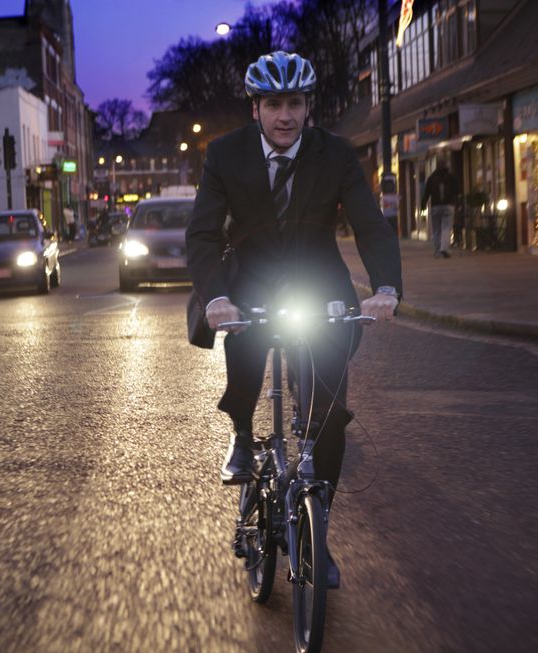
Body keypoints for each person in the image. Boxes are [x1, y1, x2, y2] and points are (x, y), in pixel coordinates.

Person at [186, 52, 403, 587]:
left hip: (317, 280)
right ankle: (240, 428)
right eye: (274, 104)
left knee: (328, 410)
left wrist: (385, 287)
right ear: (256, 108)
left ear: (309, 108)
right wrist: (216, 298)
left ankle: (316, 537)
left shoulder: (336, 155)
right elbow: (203, 234)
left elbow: (370, 226)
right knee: (242, 339)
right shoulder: (225, 155)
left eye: (296, 104)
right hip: (250, 277)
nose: (285, 116)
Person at [421, 160, 461, 258]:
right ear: (446, 166)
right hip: (448, 205)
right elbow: (457, 191)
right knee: (446, 227)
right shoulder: (451, 177)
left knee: (436, 229)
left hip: (435, 206)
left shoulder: (431, 178)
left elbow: (426, 193)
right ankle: (444, 248)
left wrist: (423, 205)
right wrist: (458, 203)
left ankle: (437, 251)